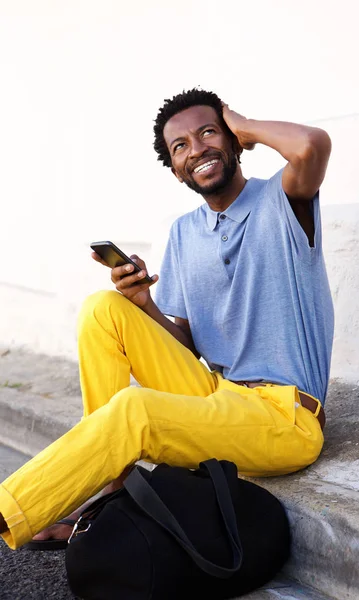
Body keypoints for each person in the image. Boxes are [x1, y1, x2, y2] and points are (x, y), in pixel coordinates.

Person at [0, 88, 333, 550]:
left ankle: (8, 510)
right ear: (177, 171)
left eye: (208, 133)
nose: (196, 149)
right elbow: (188, 344)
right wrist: (143, 303)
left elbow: (312, 145)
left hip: (284, 418)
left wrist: (241, 124)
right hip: (217, 394)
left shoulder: (282, 198)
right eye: (181, 147)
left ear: (234, 141)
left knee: (135, 410)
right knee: (104, 308)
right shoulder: (183, 233)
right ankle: (114, 484)